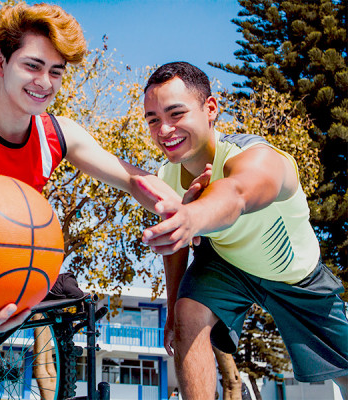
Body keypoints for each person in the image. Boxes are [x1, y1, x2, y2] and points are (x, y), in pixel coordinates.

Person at [0, 5, 209, 343]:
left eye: (55, 72)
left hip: (25, 264)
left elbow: (132, 179)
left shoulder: (58, 132)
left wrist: (183, 212)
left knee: (70, 308)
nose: (45, 83)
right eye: (32, 66)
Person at [134, 61, 348, 400]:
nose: (164, 130)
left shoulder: (257, 156)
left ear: (211, 109)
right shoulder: (167, 176)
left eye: (176, 114)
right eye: (153, 120)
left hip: (296, 277)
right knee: (188, 314)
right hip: (227, 264)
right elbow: (176, 242)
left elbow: (236, 193)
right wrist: (172, 308)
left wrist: (193, 214)